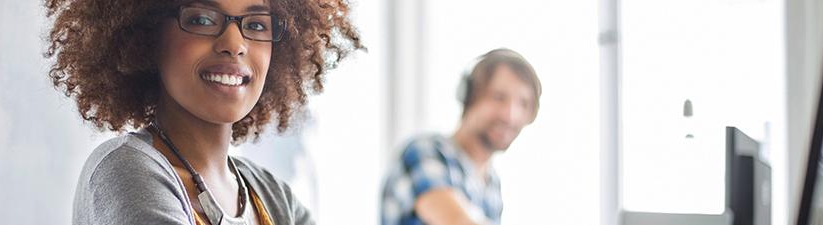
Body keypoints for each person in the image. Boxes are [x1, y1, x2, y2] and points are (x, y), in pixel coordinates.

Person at [43, 0, 363, 224]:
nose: (234, 43)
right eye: (202, 18)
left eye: (255, 24)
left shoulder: (274, 198)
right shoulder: (124, 170)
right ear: (149, 34)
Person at [380, 48, 542, 225]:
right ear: (469, 96)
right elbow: (457, 220)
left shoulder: (492, 185)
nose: (510, 115)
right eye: (499, 97)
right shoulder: (426, 152)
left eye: (523, 104)